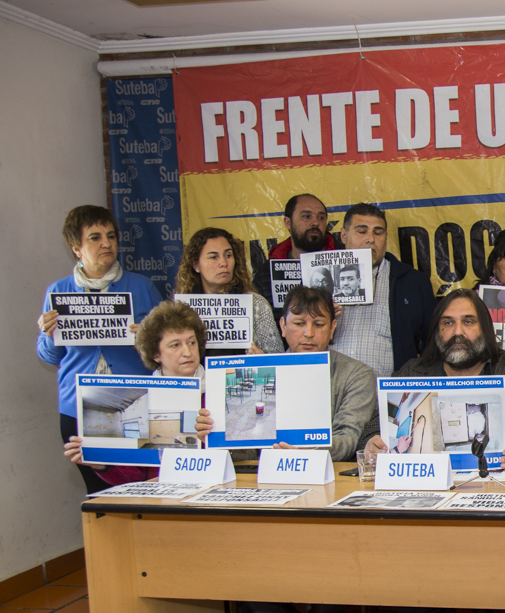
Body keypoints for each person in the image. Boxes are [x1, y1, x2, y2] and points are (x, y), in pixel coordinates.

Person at [364, 289, 505, 613]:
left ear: (484, 328)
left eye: (468, 321)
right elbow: (376, 425)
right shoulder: (412, 372)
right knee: (404, 540)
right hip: (425, 494)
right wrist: (374, 442)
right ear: (436, 331)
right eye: (448, 322)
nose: (458, 331)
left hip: (495, 494)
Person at [243, 285, 378, 613]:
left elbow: (347, 440)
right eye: (299, 323)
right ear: (282, 326)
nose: (308, 333)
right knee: (234, 539)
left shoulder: (356, 374)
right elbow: (239, 444)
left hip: (327, 487)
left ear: (333, 328)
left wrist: (302, 446)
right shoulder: (257, 371)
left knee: (330, 540)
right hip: (265, 485)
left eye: (319, 324)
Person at [38, 205, 164, 495]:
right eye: (95, 238)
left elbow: (167, 349)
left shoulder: (142, 287)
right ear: (76, 248)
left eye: (111, 236)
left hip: (135, 405)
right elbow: (49, 357)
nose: (106, 243)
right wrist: (48, 335)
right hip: (77, 408)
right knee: (98, 490)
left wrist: (145, 340)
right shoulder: (59, 291)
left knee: (141, 488)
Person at [64, 301, 214, 483]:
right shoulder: (144, 400)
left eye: (191, 342)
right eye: (175, 345)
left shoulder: (217, 393)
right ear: (156, 354)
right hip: (161, 495)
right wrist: (101, 464)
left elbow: (241, 460)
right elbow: (137, 478)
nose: (187, 352)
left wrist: (211, 441)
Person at [331, 203, 436, 379]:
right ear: (343, 235)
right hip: (330, 389)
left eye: (378, 232)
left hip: (388, 392)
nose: (370, 239)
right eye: (361, 231)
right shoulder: (320, 280)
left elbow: (433, 344)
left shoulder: (413, 282)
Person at [173, 227, 285, 355]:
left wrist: (262, 361)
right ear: (196, 265)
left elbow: (277, 357)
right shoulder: (181, 309)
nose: (223, 263)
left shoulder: (257, 304)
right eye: (213, 257)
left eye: (228, 255)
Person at [254, 194, 338, 316]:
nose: (315, 222)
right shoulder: (267, 272)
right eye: (306, 216)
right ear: (288, 223)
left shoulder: (347, 259)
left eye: (321, 217)